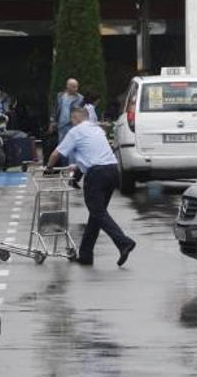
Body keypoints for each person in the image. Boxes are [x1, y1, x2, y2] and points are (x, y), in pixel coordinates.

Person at [47, 108, 136, 266]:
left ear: (75, 118)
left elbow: (56, 153)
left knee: (97, 213)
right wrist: (76, 178)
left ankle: (123, 242)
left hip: (97, 174)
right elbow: (88, 156)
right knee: (96, 214)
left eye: (72, 119)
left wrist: (48, 168)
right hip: (112, 171)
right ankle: (86, 255)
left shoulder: (76, 131)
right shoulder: (97, 130)